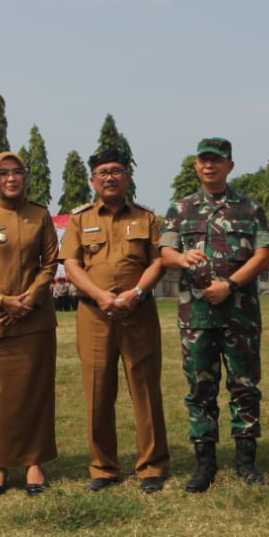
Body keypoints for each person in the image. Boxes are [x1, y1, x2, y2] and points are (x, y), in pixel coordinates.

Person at [160, 137, 269, 491]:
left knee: (244, 387)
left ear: (230, 166)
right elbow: (165, 251)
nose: (210, 166)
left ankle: (246, 462)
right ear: (196, 165)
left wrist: (232, 286)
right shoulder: (180, 208)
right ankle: (204, 464)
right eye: (204, 160)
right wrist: (182, 259)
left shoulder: (250, 208)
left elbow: (262, 253)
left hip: (240, 313)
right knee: (200, 389)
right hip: (195, 316)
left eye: (217, 160)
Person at [61, 147, 169, 493]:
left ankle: (151, 466)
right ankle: (103, 467)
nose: (110, 177)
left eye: (117, 170)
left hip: (139, 312)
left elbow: (158, 261)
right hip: (95, 314)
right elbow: (72, 264)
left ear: (128, 177)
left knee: (146, 389)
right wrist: (100, 295)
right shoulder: (79, 219)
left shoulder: (147, 218)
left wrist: (136, 293)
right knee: (97, 390)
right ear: (93, 180)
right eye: (103, 172)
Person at [0, 151, 59, 496]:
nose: (11, 178)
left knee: (34, 392)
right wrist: (3, 301)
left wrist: (29, 299)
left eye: (17, 172)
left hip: (34, 319)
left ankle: (35, 462)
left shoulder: (40, 215)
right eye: (3, 173)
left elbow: (50, 263)